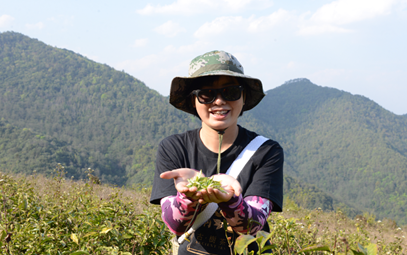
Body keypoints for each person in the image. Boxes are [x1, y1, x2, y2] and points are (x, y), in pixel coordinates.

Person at [150, 50, 283, 254]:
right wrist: (189, 195)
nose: (219, 101)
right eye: (206, 94)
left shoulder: (266, 151)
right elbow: (174, 224)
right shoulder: (174, 148)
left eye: (230, 92)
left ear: (244, 97)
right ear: (194, 101)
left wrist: (230, 199)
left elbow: (252, 225)